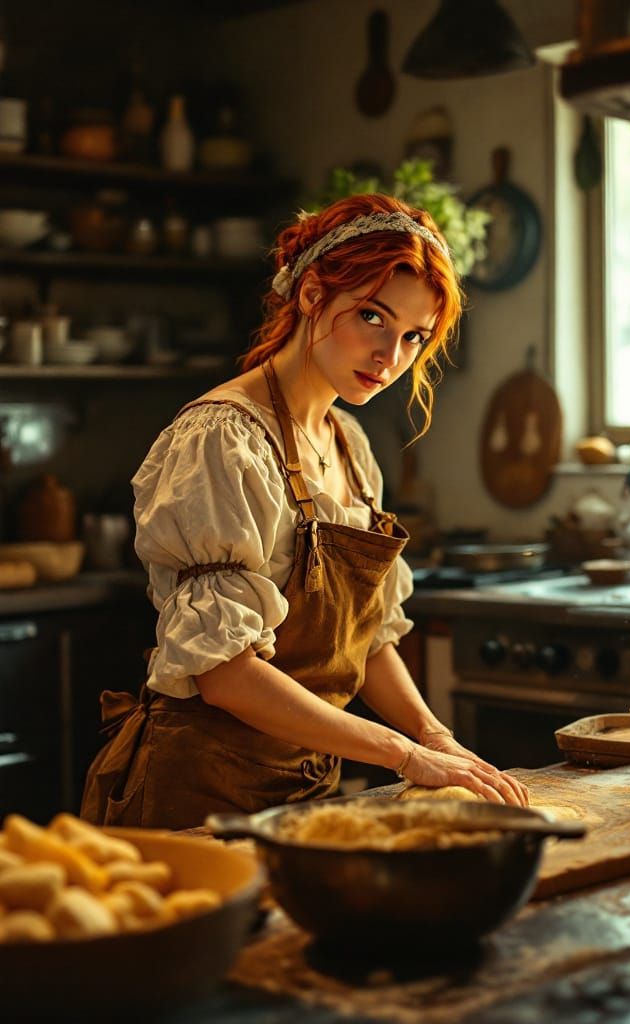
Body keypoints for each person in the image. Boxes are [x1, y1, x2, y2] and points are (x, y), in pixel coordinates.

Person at [81, 193, 529, 830]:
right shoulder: (223, 438)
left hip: (306, 792)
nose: (391, 357)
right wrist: (402, 755)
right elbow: (225, 674)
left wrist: (436, 740)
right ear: (313, 294)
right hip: (199, 796)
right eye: (372, 316)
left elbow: (368, 640)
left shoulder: (349, 442)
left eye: (413, 337)